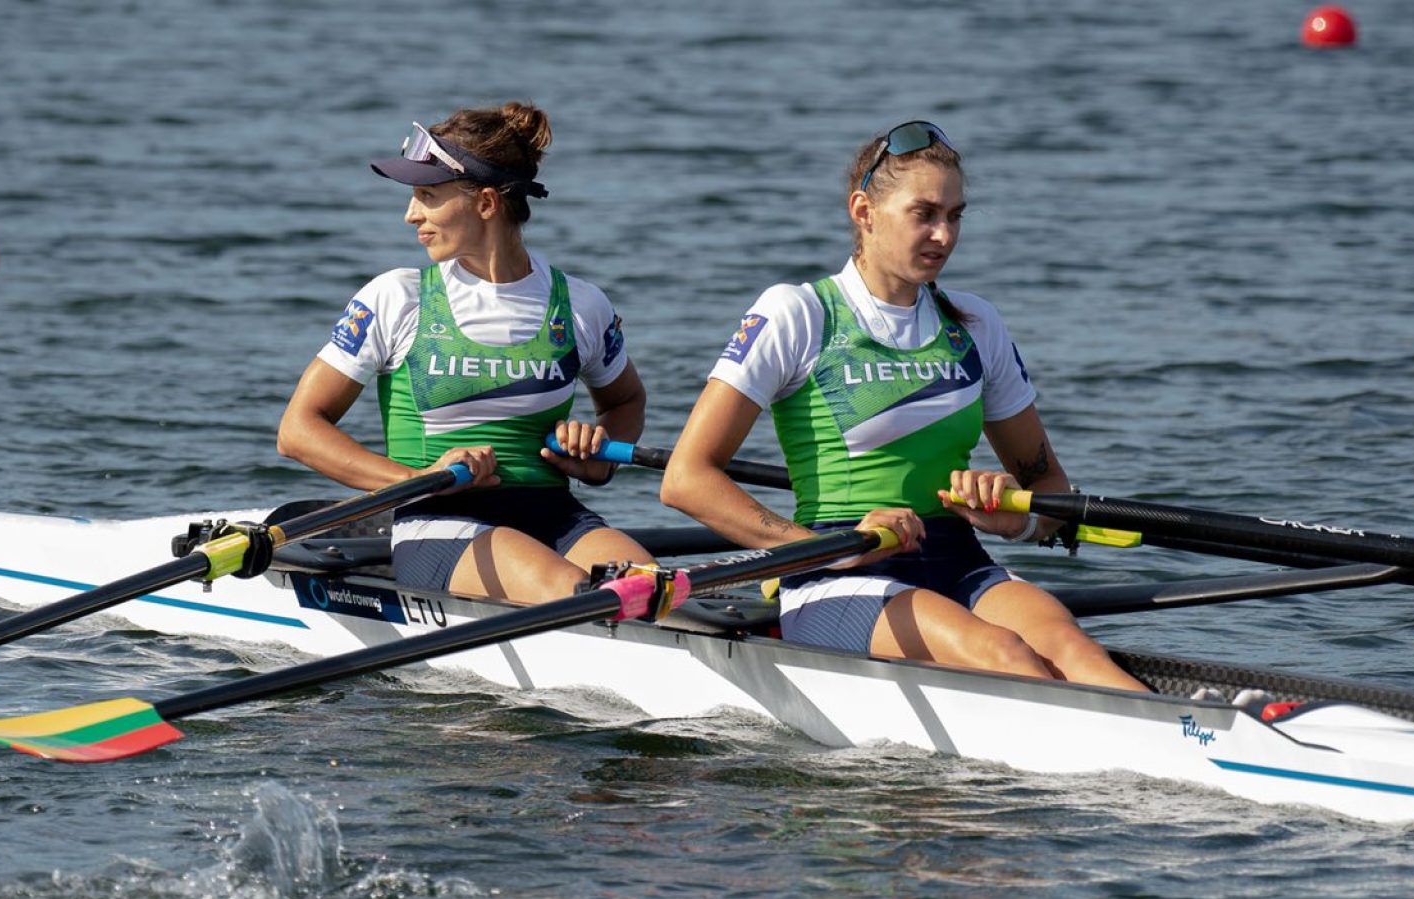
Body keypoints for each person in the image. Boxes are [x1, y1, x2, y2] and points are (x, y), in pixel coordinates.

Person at [660, 121, 1147, 691]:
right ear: (864, 211)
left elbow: (1052, 496)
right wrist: (821, 549)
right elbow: (686, 479)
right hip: (838, 571)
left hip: (960, 560)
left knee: (1077, 654)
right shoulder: (798, 313)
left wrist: (1016, 520)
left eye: (955, 215)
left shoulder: (975, 325)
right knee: (1004, 651)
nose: (944, 235)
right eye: (925, 214)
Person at [277, 102, 652, 604]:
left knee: (651, 588)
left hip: (555, 515)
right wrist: (417, 481)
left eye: (428, 196)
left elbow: (626, 402)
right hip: (437, 521)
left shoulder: (581, 304)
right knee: (575, 592)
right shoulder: (398, 297)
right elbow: (299, 431)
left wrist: (598, 455)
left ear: (487, 204)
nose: (412, 214)